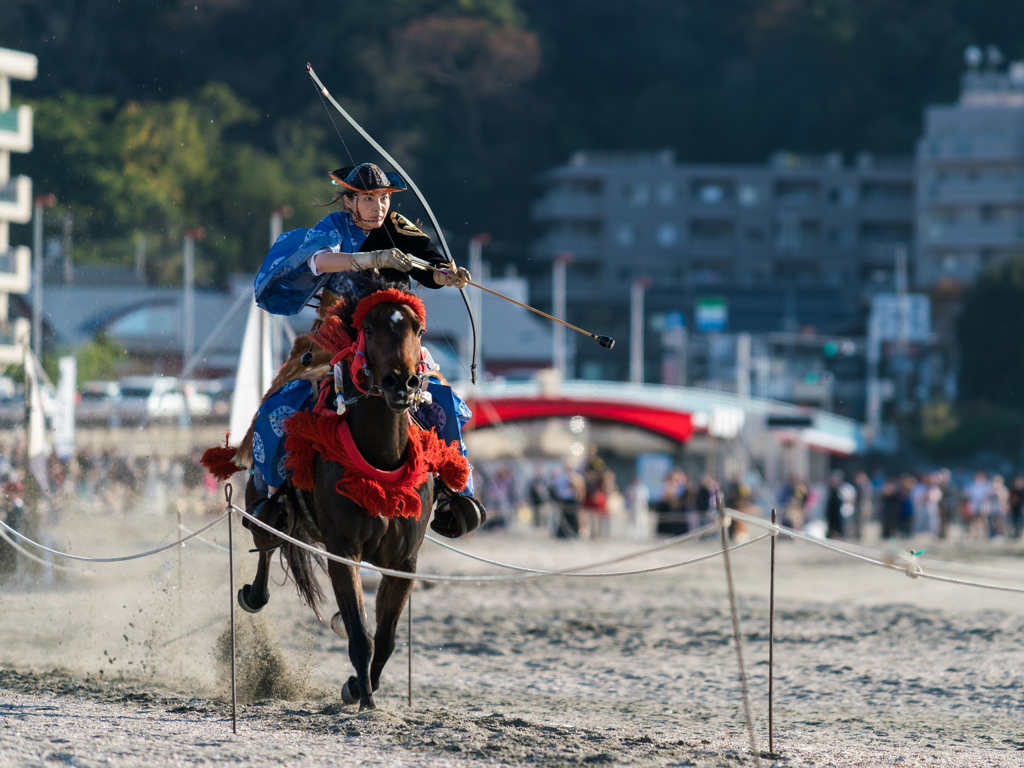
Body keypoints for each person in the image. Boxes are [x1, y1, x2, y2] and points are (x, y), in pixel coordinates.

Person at [248, 162, 484, 538]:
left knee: (439, 396)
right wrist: (371, 259)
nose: (379, 207)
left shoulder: (397, 227)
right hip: (338, 335)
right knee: (285, 402)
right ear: (350, 201)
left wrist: (446, 274)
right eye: (369, 199)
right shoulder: (334, 227)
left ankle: (454, 492)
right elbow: (318, 260)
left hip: (394, 338)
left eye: (384, 198)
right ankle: (273, 496)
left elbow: (429, 262)